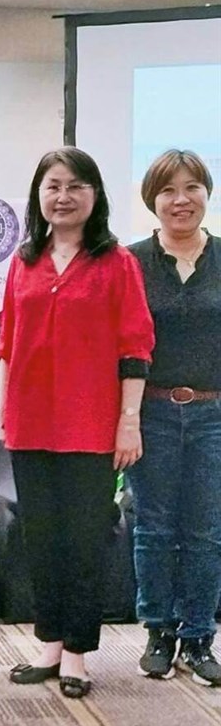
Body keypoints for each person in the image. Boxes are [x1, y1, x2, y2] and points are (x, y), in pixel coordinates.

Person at [0, 146, 154, 699]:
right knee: (40, 537)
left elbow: (136, 349)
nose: (63, 197)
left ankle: (79, 654)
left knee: (84, 540)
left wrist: (128, 422)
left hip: (92, 424)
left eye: (75, 187)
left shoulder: (117, 263)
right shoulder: (23, 260)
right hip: (31, 421)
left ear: (95, 196)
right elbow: (8, 343)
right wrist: (2, 406)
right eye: (52, 186)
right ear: (39, 195)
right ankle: (49, 645)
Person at [126, 150, 221, 687]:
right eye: (168, 190)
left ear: (207, 194)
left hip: (214, 414)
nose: (180, 200)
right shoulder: (131, 262)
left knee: (207, 531)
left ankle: (200, 636)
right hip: (153, 411)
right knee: (154, 527)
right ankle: (159, 632)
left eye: (192, 188)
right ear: (153, 200)